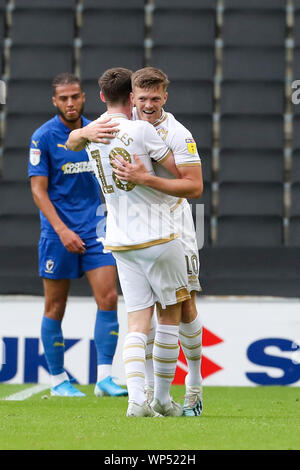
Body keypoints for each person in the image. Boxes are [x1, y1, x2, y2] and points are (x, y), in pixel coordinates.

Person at [67, 67, 204, 417]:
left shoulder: (174, 132)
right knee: (164, 314)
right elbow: (75, 140)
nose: (148, 104)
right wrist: (82, 131)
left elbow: (193, 185)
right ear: (132, 97)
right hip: (156, 233)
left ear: (165, 97)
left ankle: (183, 389)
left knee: (167, 311)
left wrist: (81, 133)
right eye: (142, 98)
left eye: (155, 98)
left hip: (146, 233)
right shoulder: (125, 129)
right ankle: (155, 398)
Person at [28, 72, 127, 398]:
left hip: (96, 228)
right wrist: (62, 230)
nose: (70, 103)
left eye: (75, 96)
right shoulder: (43, 137)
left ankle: (103, 379)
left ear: (84, 97)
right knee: (55, 306)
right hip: (58, 234)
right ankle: (58, 380)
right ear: (55, 101)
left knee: (109, 298)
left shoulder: (99, 129)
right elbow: (39, 192)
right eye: (63, 98)